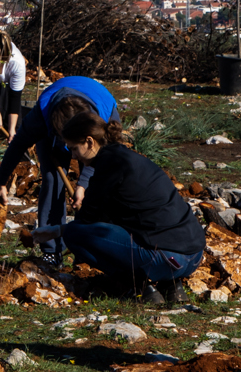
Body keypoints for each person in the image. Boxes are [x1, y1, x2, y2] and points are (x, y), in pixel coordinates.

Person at [44, 104, 206, 304]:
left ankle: (139, 286)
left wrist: (57, 231)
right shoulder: (127, 157)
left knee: (74, 234)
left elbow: (87, 221)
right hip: (195, 254)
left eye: (74, 148)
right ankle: (171, 285)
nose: (73, 156)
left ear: (89, 142)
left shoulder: (109, 166)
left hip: (168, 259)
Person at [0, 75, 119, 270]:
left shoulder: (104, 122)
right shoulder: (41, 119)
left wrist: (83, 185)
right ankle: (51, 252)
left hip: (97, 117)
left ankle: (88, 252)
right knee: (52, 181)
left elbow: (100, 161)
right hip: (50, 132)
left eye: (74, 147)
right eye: (67, 144)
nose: (72, 152)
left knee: (97, 187)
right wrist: (1, 182)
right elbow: (17, 146)